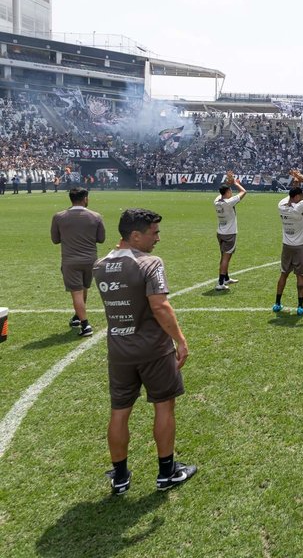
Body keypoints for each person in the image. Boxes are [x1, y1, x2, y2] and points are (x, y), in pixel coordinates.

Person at [94, 208, 195, 495]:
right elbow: (160, 305)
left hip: (119, 351)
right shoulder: (150, 263)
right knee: (164, 406)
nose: (158, 239)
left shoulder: (100, 265)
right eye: (154, 233)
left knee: (119, 412)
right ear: (135, 236)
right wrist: (180, 340)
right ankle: (166, 473)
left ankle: (120, 476)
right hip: (153, 349)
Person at [50, 187, 106, 337]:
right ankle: (77, 317)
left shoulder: (59, 217)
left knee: (76, 292)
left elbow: (55, 240)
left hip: (70, 260)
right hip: (90, 260)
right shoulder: (96, 216)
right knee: (83, 288)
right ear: (85, 198)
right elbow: (101, 239)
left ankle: (85, 325)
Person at [274, 170, 303, 316]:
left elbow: (291, 194)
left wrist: (296, 182)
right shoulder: (299, 208)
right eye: (300, 196)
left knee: (283, 274)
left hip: (286, 246)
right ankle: (300, 306)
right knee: (300, 276)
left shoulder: (281, 204)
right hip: (300, 246)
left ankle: (277, 303)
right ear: (296, 198)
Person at [213, 171, 246, 291]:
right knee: (226, 258)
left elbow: (223, 191)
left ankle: (226, 278)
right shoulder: (229, 203)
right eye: (230, 191)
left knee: (223, 256)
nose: (231, 193)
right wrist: (236, 183)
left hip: (220, 232)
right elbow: (244, 192)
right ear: (227, 193)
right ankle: (221, 283)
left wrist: (229, 182)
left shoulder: (217, 201)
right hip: (229, 234)